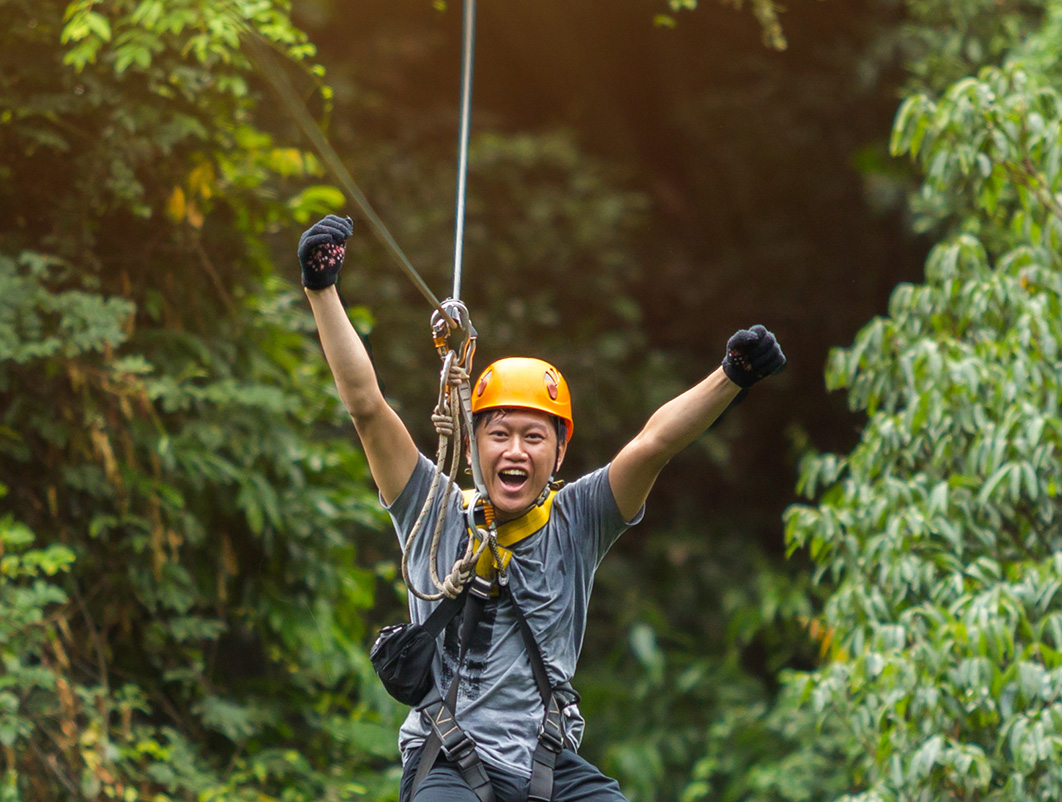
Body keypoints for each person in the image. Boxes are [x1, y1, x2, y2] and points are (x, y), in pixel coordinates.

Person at [294, 214, 787, 802]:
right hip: (447, 760)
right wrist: (322, 290)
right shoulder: (431, 508)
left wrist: (731, 377)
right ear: (471, 444)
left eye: (534, 437)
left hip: (546, 763)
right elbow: (367, 407)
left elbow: (654, 444)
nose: (515, 451)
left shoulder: (579, 519)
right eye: (500, 434)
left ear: (559, 452)